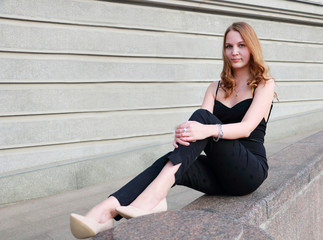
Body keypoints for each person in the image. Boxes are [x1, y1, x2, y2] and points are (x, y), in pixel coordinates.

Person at [70, 21, 275, 239]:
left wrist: (205, 130)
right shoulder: (215, 87)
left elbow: (246, 128)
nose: (234, 52)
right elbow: (198, 129)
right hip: (220, 174)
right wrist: (186, 132)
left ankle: (152, 198)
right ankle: (103, 213)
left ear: (252, 47)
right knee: (170, 159)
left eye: (241, 45)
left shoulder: (264, 84)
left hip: (248, 171)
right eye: (228, 46)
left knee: (202, 120)